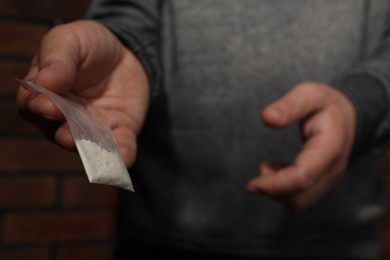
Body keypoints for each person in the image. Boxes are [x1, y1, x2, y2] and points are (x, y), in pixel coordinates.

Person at [16, 0, 390, 258]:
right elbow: (129, 10)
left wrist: (361, 102)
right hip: (159, 238)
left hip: (340, 240)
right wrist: (125, 46)